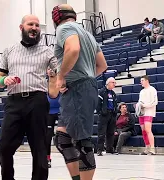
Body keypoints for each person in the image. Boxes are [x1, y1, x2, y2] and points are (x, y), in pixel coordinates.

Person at [0, 14, 58, 180]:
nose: (35, 28)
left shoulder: (47, 51)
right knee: (4, 147)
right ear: (21, 27)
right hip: (14, 102)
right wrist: (4, 79)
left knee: (39, 148)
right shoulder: (9, 50)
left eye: (37, 25)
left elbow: (59, 72)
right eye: (31, 24)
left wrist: (54, 78)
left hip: (37, 101)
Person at [52, 4, 107, 180]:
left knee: (81, 142)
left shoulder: (64, 28)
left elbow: (73, 49)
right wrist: (85, 76)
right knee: (63, 139)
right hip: (84, 86)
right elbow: (102, 66)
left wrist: (61, 76)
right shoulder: (88, 35)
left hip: (77, 89)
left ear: (56, 18)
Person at [136, 75, 158, 155]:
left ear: (146, 81)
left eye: (142, 80)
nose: (141, 82)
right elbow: (140, 101)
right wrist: (138, 105)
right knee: (143, 130)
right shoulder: (142, 91)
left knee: (148, 129)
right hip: (142, 112)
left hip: (149, 112)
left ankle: (152, 148)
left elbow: (155, 102)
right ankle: (147, 147)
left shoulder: (152, 90)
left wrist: (145, 105)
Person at [96, 77, 118, 156]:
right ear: (108, 83)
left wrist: (115, 112)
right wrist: (100, 112)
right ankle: (99, 149)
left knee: (111, 133)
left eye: (115, 83)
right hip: (104, 115)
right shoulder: (102, 92)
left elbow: (115, 104)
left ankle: (110, 149)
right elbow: (98, 103)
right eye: (113, 83)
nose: (114, 84)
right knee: (101, 133)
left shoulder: (113, 93)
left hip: (112, 114)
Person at [46, 68, 60, 168]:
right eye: (49, 69)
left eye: (53, 69)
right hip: (48, 112)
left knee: (68, 134)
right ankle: (47, 158)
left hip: (61, 111)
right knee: (47, 137)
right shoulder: (43, 83)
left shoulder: (61, 81)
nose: (51, 71)